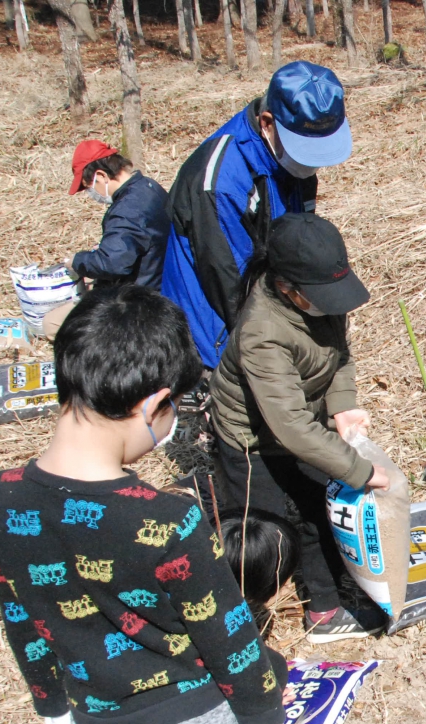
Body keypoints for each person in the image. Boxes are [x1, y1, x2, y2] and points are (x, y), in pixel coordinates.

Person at [0, 285, 295, 724]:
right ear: (153, 405)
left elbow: (20, 619)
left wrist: (53, 711)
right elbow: (227, 634)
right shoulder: (166, 519)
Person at [210, 212, 384, 644]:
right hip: (251, 442)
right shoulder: (263, 331)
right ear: (287, 288)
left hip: (300, 425)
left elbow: (339, 354)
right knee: (261, 537)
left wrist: (342, 406)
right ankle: (236, 622)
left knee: (316, 512)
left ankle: (323, 609)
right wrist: (360, 469)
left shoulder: (321, 297)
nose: (335, 304)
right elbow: (288, 424)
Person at [162, 61, 353, 367]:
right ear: (267, 122)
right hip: (218, 339)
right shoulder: (222, 184)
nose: (312, 165)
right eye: (304, 150)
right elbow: (233, 288)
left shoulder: (288, 161)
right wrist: (277, 346)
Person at [41, 141, 172, 341]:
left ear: (101, 176)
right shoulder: (149, 187)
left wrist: (77, 261)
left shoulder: (127, 210)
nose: (91, 194)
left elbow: (112, 263)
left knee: (51, 323)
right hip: (158, 282)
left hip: (135, 303)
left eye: (88, 188)